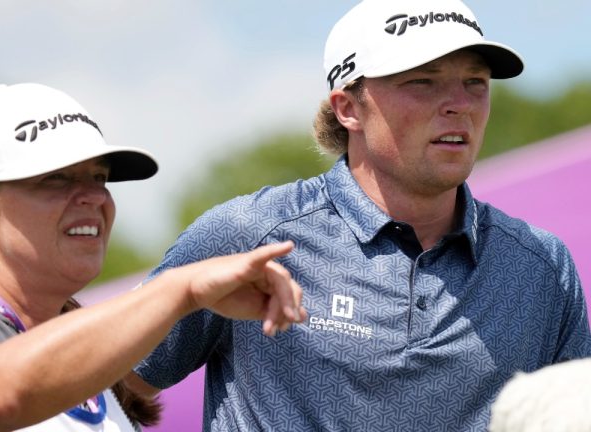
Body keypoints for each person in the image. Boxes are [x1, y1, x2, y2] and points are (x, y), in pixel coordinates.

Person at [125, 0, 591, 430]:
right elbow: (107, 393)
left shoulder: (542, 267)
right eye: (422, 81)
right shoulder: (250, 236)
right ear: (348, 108)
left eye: (475, 82)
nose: (460, 105)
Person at [0, 83, 307, 431]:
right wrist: (181, 288)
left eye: (99, 178)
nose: (92, 198)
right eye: (57, 179)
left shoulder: (100, 383)